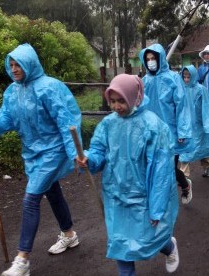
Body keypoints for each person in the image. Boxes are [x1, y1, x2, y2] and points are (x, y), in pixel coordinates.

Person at [0, 43, 81, 276]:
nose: (14, 69)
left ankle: (23, 259)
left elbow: (66, 121)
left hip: (53, 149)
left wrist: (74, 153)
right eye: (12, 65)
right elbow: (8, 116)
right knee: (52, 191)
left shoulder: (49, 87)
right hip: (32, 151)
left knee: (31, 198)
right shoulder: (12, 91)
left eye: (19, 64)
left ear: (30, 64)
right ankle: (69, 235)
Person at [76, 74, 180, 275]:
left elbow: (161, 172)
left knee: (151, 238)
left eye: (121, 100)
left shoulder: (153, 126)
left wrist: (157, 209)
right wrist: (88, 159)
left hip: (143, 198)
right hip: (116, 196)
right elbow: (98, 151)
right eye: (112, 101)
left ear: (135, 97)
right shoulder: (107, 124)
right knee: (121, 248)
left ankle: (169, 247)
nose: (116, 106)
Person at [139, 43, 194, 204]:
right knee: (154, 167)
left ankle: (184, 186)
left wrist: (183, 131)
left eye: (153, 58)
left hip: (171, 132)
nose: (150, 61)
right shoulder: (144, 81)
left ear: (160, 58)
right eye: (147, 59)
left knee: (168, 168)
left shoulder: (173, 78)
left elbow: (182, 106)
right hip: (151, 133)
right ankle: (160, 203)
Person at [179, 65, 209, 178]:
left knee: (202, 149)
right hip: (185, 126)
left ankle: (207, 166)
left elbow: (207, 107)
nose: (186, 79)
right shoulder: (180, 89)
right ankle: (184, 178)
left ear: (193, 76)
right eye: (184, 76)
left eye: (188, 77)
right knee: (185, 152)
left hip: (199, 125)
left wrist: (208, 125)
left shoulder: (201, 89)